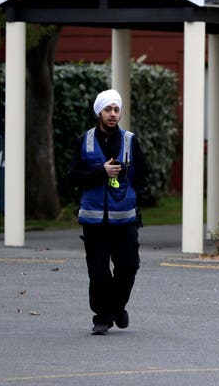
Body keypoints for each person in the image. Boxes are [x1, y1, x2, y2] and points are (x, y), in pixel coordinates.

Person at [69, 89, 148, 335]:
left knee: (129, 266)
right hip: (94, 220)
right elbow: (72, 177)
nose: (113, 114)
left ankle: (117, 307)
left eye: (116, 109)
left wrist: (133, 196)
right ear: (99, 112)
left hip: (125, 219)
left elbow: (143, 177)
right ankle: (102, 318)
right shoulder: (85, 141)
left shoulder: (130, 140)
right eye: (108, 110)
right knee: (98, 271)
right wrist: (100, 172)